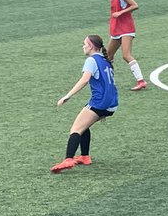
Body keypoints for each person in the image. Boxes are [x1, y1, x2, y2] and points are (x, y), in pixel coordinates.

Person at [51, 34, 119, 172]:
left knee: (75, 129)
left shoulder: (91, 60)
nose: (83, 46)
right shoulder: (106, 60)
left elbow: (84, 79)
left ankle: (68, 159)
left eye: (84, 44)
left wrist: (68, 96)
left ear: (92, 46)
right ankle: (84, 156)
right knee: (84, 125)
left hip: (100, 103)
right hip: (112, 104)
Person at [106, 0, 146, 91]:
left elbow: (135, 5)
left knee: (126, 55)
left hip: (126, 28)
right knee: (108, 56)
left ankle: (141, 81)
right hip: (116, 28)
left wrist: (121, 13)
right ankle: (109, 82)